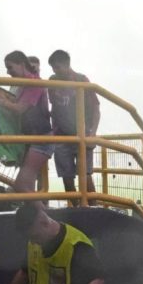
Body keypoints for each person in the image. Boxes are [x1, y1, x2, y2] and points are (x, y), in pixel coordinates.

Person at [0, 50, 53, 193]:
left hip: (41, 139)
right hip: (33, 138)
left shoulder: (33, 83)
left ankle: (43, 214)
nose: (8, 72)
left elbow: (20, 108)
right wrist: (1, 98)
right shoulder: (24, 84)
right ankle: (39, 214)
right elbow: (17, 104)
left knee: (22, 186)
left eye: (10, 67)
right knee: (26, 186)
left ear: (21, 64)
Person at [48, 49, 100, 195]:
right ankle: (74, 209)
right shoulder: (52, 81)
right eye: (53, 68)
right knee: (67, 176)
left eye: (57, 67)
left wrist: (92, 133)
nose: (55, 71)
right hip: (61, 135)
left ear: (67, 64)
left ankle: (93, 209)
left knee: (86, 175)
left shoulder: (81, 80)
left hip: (82, 134)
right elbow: (54, 105)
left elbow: (96, 108)